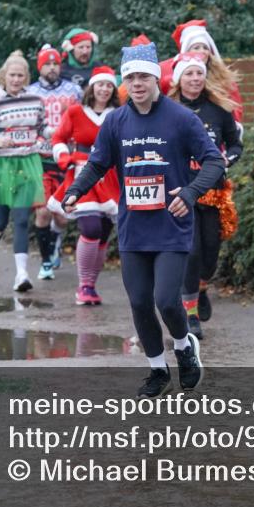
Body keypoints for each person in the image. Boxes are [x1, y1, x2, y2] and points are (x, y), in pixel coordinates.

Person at [61, 42, 223, 398]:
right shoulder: (116, 121)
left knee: (166, 300)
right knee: (138, 302)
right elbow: (98, 163)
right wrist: (75, 191)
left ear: (155, 80)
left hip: (171, 225)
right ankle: (157, 369)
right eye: (131, 77)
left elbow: (214, 162)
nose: (137, 83)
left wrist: (190, 193)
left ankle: (184, 346)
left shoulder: (181, 119)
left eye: (143, 77)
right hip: (133, 228)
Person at [167, 52, 242, 339]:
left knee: (210, 252)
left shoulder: (219, 109)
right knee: (192, 250)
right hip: (181, 192)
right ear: (179, 79)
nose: (195, 78)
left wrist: (226, 160)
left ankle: (200, 288)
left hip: (213, 191)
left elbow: (235, 145)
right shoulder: (168, 110)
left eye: (199, 73)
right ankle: (190, 315)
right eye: (189, 73)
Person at [0, 52, 50, 293]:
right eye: (12, 75)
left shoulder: (35, 100)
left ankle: (21, 274)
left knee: (21, 219)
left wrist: (45, 141)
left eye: (20, 76)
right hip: (1, 165)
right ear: (4, 75)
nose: (16, 80)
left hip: (27, 163)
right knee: (1, 220)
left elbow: (43, 129)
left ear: (26, 77)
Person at [47, 65, 121, 305]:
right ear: (92, 87)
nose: (104, 89)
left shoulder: (119, 114)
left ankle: (91, 285)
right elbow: (58, 137)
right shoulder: (76, 112)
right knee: (91, 228)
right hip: (82, 173)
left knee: (104, 233)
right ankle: (84, 285)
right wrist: (62, 156)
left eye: (109, 85)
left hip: (110, 176)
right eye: (100, 84)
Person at [27, 44, 83, 280]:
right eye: (47, 64)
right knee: (42, 213)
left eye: (55, 64)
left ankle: (56, 240)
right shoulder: (30, 92)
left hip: (66, 160)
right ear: (39, 67)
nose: (52, 68)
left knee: (61, 216)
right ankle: (46, 262)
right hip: (39, 160)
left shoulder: (75, 90)